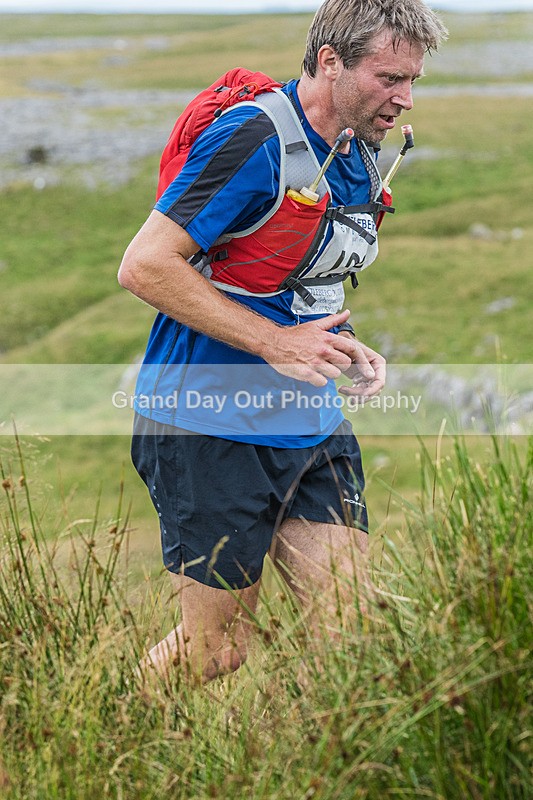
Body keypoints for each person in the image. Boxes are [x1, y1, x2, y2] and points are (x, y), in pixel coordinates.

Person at [118, 0, 447, 685]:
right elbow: (144, 265)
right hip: (206, 424)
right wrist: (274, 342)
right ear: (330, 62)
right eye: (389, 77)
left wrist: (342, 344)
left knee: (356, 634)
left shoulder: (358, 147)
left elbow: (306, 279)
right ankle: (82, 732)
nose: (404, 97)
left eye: (411, 80)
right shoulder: (253, 138)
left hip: (309, 425)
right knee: (216, 651)